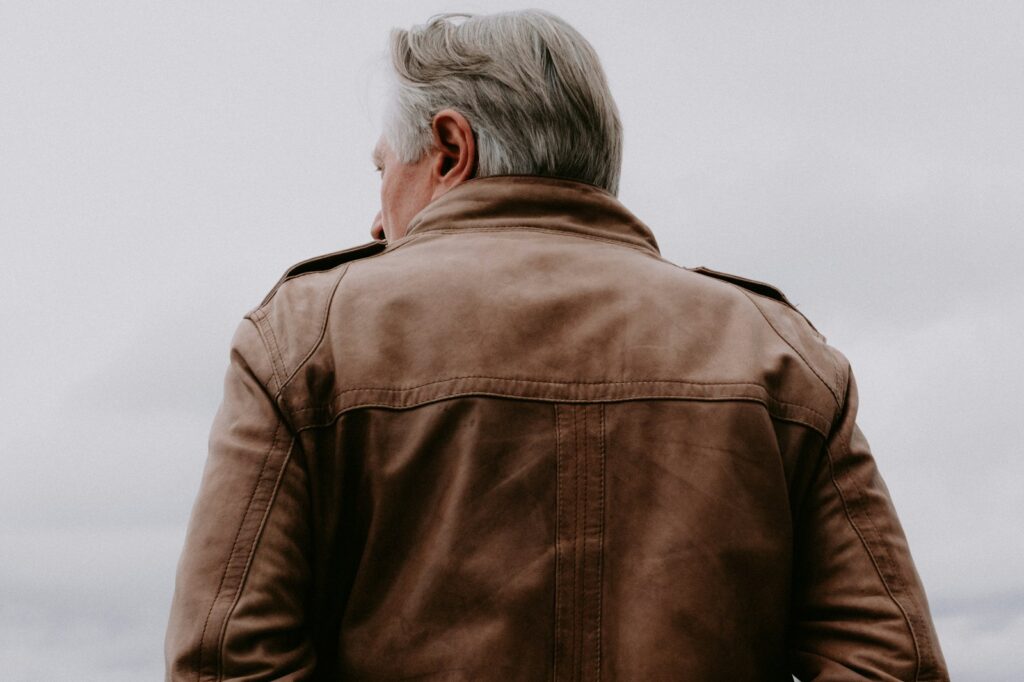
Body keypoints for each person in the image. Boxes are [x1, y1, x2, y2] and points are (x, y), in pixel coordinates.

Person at [165, 10, 948, 681]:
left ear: (448, 148)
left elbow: (227, 662)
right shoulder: (777, 353)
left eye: (382, 169)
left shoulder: (307, 339)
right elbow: (891, 663)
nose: (375, 220)